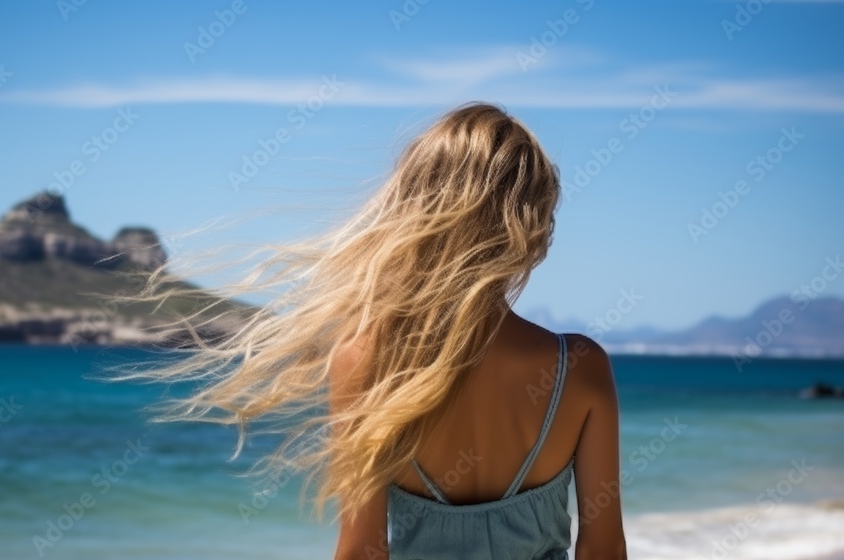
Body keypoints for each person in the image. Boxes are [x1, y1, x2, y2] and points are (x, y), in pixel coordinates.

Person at [132, 102, 626, 559]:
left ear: (412, 210)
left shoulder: (364, 361)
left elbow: (361, 551)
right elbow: (603, 551)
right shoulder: (579, 367)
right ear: (533, 230)